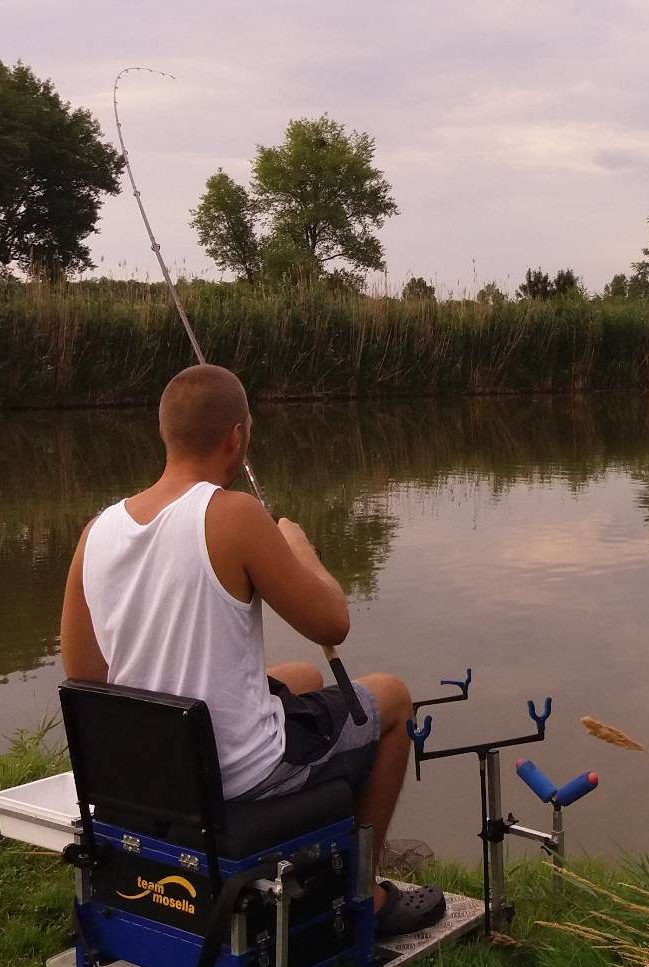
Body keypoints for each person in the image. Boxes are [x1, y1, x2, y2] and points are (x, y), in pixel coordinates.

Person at [58, 364, 445, 935]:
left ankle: (320, 869)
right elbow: (332, 620)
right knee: (392, 698)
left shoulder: (97, 530)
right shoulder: (236, 513)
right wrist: (299, 547)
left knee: (304, 675)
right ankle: (361, 896)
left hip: (155, 770)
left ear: (164, 433)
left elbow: (86, 675)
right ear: (237, 436)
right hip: (236, 774)